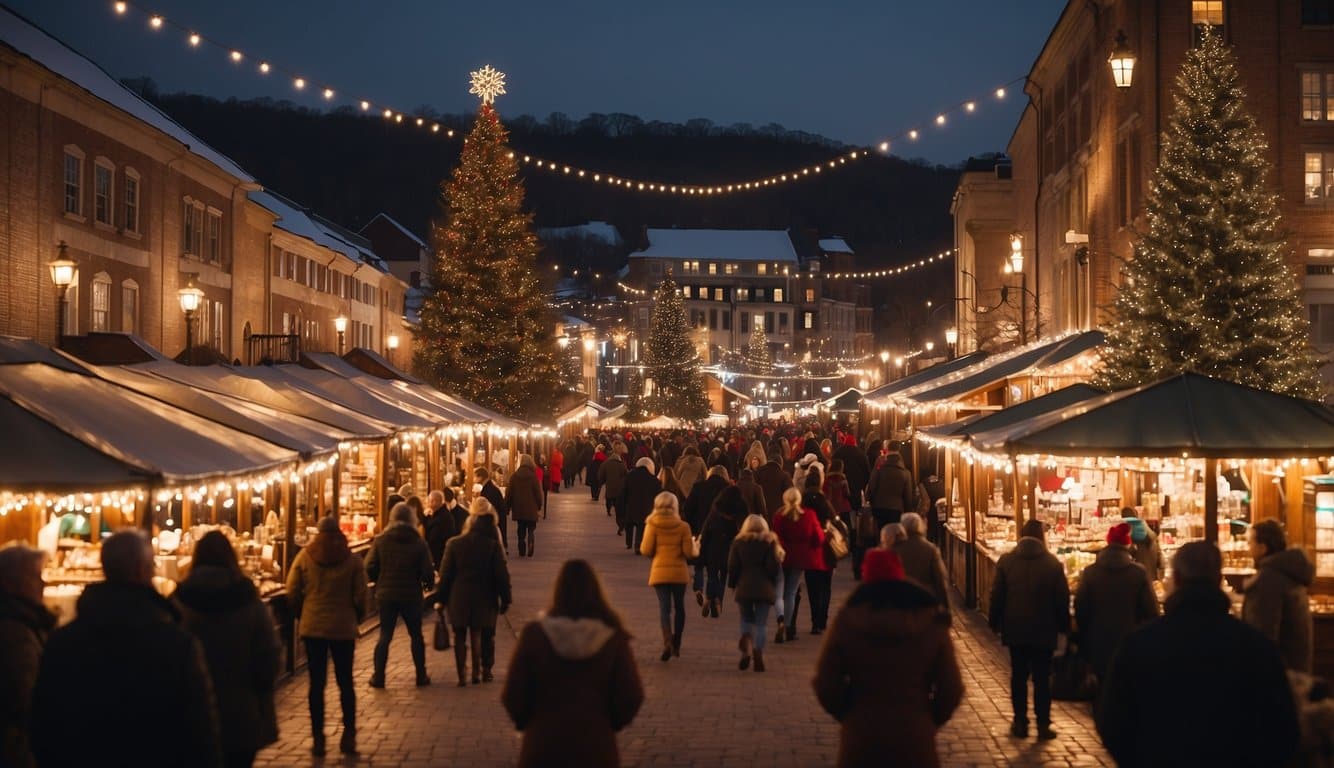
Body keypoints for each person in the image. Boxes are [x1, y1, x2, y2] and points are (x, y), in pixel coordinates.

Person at [1097, 541, 1300, 767]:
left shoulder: (1139, 645)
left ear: (1177, 579)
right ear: (1217, 579)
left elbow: (1113, 722)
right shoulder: (1256, 647)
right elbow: (1283, 729)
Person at [32, 531, 223, 766]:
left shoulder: (63, 641)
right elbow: (200, 731)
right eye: (152, 564)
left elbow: (42, 722)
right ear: (141, 570)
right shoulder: (177, 645)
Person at [813, 548, 964, 768]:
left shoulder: (848, 619)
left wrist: (849, 713)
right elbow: (952, 687)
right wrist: (929, 718)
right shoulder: (930, 620)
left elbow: (825, 682)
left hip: (862, 736)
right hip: (915, 736)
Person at [502, 560, 644, 767]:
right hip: (596, 746)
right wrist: (608, 723)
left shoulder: (535, 635)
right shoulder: (612, 639)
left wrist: (529, 722)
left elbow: (513, 693)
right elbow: (631, 696)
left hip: (543, 744)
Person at [177, 531, 281, 768]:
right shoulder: (247, 598)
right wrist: (261, 691)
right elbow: (269, 654)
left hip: (193, 711)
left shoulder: (181, 599)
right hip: (241, 709)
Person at [286, 516, 368, 756]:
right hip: (343, 628)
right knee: (345, 683)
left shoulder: (305, 557)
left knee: (316, 684)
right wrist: (357, 616)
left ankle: (319, 738)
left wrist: (303, 612)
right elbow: (361, 594)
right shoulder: (351, 560)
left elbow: (292, 589)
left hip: (313, 628)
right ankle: (349, 735)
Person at [988, 519, 1069, 741]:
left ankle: (1020, 722)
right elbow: (1061, 599)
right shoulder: (1052, 564)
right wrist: (1064, 626)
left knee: (1019, 676)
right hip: (1044, 628)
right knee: (1042, 678)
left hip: (1016, 628)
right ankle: (1043, 724)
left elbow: (997, 595)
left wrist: (993, 622)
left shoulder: (1007, 561)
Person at [438, 498, 513, 686]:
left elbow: (445, 575)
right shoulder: (492, 545)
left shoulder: (454, 544)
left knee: (460, 635)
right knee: (481, 633)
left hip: (459, 596)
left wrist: (440, 599)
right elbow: (501, 574)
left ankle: (462, 673)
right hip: (485, 596)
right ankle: (479, 672)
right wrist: (505, 598)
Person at [1072, 523, 1158, 683]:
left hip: (1097, 643)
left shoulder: (1090, 572)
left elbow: (1081, 608)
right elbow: (1152, 611)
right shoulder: (1138, 573)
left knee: (1102, 689)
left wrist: (1085, 636)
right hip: (1131, 643)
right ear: (1128, 544)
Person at [365, 502, 436, 688]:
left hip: (386, 594)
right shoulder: (419, 543)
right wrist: (427, 584)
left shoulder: (381, 540)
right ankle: (421, 675)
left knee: (385, 635)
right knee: (416, 635)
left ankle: (378, 676)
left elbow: (369, 566)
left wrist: (379, 578)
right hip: (411, 594)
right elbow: (428, 570)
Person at [0, 544, 54, 768]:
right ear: (11, 583)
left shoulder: (25, 621)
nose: (43, 583)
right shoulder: (15, 632)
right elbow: (28, 697)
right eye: (35, 576)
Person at [1242, 519, 1315, 673]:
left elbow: (1262, 637)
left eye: (1250, 543)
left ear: (1262, 547)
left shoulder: (1268, 581)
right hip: (1295, 669)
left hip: (1277, 676)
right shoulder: (1288, 573)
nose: (1248, 548)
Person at [640, 491, 694, 661]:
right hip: (679, 572)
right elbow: (688, 552)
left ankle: (667, 641)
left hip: (660, 572)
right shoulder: (683, 526)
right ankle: (677, 641)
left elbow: (646, 550)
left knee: (664, 608)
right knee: (680, 607)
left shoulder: (652, 524)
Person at [728, 514, 782, 672]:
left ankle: (747, 647)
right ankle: (758, 650)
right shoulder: (769, 542)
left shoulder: (738, 543)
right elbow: (773, 567)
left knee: (745, 618)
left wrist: (732, 584)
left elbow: (732, 566)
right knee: (761, 623)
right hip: (764, 588)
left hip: (744, 587)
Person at [771, 487, 824, 644]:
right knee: (791, 592)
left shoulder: (780, 516)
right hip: (800, 559)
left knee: (779, 591)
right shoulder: (808, 515)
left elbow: (776, 536)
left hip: (782, 556)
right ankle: (787, 626)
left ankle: (780, 619)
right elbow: (818, 538)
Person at [685, 465, 731, 606]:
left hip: (700, 530)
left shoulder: (699, 487)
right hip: (722, 533)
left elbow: (687, 508)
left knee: (699, 562)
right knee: (718, 568)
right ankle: (717, 598)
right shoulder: (728, 490)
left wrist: (692, 526)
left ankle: (698, 587)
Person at [699, 485, 746, 619]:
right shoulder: (740, 507)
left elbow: (707, 526)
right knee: (724, 574)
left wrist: (702, 541)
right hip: (730, 546)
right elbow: (743, 527)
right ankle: (719, 598)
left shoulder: (717, 506)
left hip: (714, 545)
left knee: (712, 573)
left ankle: (708, 596)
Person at [893, 512, 950, 617]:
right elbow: (939, 579)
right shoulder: (930, 549)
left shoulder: (895, 549)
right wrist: (945, 607)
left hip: (901, 601)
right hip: (925, 601)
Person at [507, 454, 545, 557]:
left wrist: (507, 506)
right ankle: (531, 539)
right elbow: (538, 493)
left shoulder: (514, 476)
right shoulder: (533, 477)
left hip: (518, 508)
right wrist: (539, 505)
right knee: (531, 527)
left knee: (521, 527)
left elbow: (509, 492)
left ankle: (521, 545)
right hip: (531, 508)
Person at [622, 457, 661, 553]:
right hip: (646, 507)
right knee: (641, 525)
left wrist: (621, 506)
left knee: (629, 524)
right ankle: (638, 545)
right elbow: (658, 495)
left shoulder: (630, 476)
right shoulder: (654, 480)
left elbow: (623, 493)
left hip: (631, 506)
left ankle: (629, 542)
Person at [866, 447, 914, 527]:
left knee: (881, 533)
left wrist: (870, 501)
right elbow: (908, 495)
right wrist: (908, 511)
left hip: (879, 507)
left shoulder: (879, 470)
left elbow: (871, 486)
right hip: (896, 509)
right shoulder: (906, 473)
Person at [833, 435, 871, 510]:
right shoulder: (860, 453)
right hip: (857, 484)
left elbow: (833, 466)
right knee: (854, 504)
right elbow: (867, 470)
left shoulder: (838, 452)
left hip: (840, 483)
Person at [1122, 513, 1164, 580]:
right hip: (1152, 584)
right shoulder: (1154, 540)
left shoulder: (1129, 545)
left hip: (1135, 584)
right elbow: (1161, 564)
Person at [477, 467, 510, 553]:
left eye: (475, 476)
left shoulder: (489, 489)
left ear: (480, 477)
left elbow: (489, 505)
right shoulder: (490, 487)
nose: (474, 479)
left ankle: (500, 549)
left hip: (496, 516)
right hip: (499, 515)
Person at [425, 490, 458, 568]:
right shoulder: (441, 514)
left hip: (439, 556)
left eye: (429, 501)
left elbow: (434, 538)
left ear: (435, 501)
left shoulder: (443, 517)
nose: (427, 503)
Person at [599, 445, 629, 526]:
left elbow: (601, 473)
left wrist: (601, 481)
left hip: (609, 485)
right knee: (616, 500)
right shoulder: (621, 464)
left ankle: (608, 510)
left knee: (608, 498)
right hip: (619, 486)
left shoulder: (606, 463)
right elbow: (626, 473)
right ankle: (617, 512)